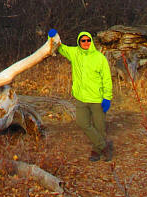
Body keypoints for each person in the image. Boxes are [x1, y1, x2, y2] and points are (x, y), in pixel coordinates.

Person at [48, 29, 113, 161]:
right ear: (79, 41)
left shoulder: (99, 57)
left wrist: (107, 97)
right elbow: (60, 48)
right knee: (82, 123)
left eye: (88, 40)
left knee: (99, 127)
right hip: (81, 98)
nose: (86, 42)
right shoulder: (75, 53)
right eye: (83, 40)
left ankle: (96, 151)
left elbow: (106, 79)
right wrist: (53, 36)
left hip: (97, 99)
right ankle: (104, 146)